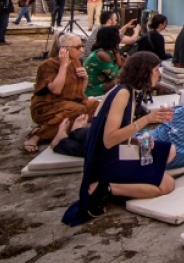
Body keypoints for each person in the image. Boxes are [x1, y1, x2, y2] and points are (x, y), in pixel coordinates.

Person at [62, 52, 176, 225]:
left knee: (169, 150)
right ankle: (106, 188)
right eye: (156, 70)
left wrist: (136, 141)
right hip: (108, 159)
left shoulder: (129, 91)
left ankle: (136, 176)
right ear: (144, 72)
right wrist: (146, 120)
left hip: (117, 150)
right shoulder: (122, 94)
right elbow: (109, 140)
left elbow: (118, 133)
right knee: (167, 184)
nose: (159, 74)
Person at [24, 33, 100, 152]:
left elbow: (79, 91)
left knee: (97, 106)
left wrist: (85, 78)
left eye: (82, 46)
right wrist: (63, 66)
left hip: (71, 102)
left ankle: (53, 127)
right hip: (48, 106)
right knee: (77, 110)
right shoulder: (48, 65)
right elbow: (56, 90)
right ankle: (38, 135)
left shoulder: (75, 62)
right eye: (78, 47)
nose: (81, 50)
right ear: (64, 49)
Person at [84, 26, 124, 98]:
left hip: (102, 84)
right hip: (92, 89)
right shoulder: (101, 54)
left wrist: (116, 51)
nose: (120, 37)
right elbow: (117, 75)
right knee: (121, 80)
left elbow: (118, 65)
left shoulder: (108, 51)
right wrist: (127, 65)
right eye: (117, 34)